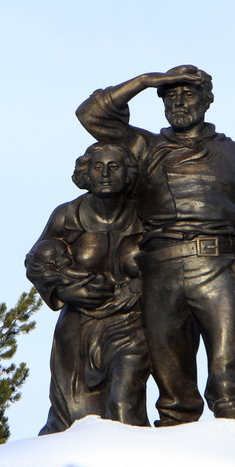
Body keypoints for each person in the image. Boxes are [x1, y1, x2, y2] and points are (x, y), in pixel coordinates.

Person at [76, 65, 235, 427]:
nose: (178, 101)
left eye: (188, 93)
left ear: (207, 100)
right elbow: (91, 114)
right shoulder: (145, 148)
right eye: (170, 94)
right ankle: (174, 464)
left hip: (219, 271)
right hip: (160, 274)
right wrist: (148, 80)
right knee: (173, 390)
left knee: (229, 380)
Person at [25, 142, 151, 434]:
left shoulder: (146, 216)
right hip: (77, 328)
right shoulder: (66, 216)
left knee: (123, 403)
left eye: (114, 166)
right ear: (86, 173)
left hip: (129, 325)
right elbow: (35, 263)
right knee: (71, 419)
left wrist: (140, 287)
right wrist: (63, 291)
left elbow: (169, 262)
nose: (105, 174)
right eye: (97, 167)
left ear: (128, 173)